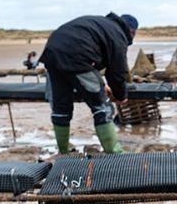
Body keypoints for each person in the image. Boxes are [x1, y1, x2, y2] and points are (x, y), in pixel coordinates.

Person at [38, 13, 138, 154]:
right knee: (102, 107)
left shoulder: (101, 24)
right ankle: (114, 152)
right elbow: (117, 71)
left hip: (52, 52)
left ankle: (64, 150)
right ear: (132, 32)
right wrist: (121, 96)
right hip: (78, 58)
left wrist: (103, 85)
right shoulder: (118, 35)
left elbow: (94, 64)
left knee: (61, 107)